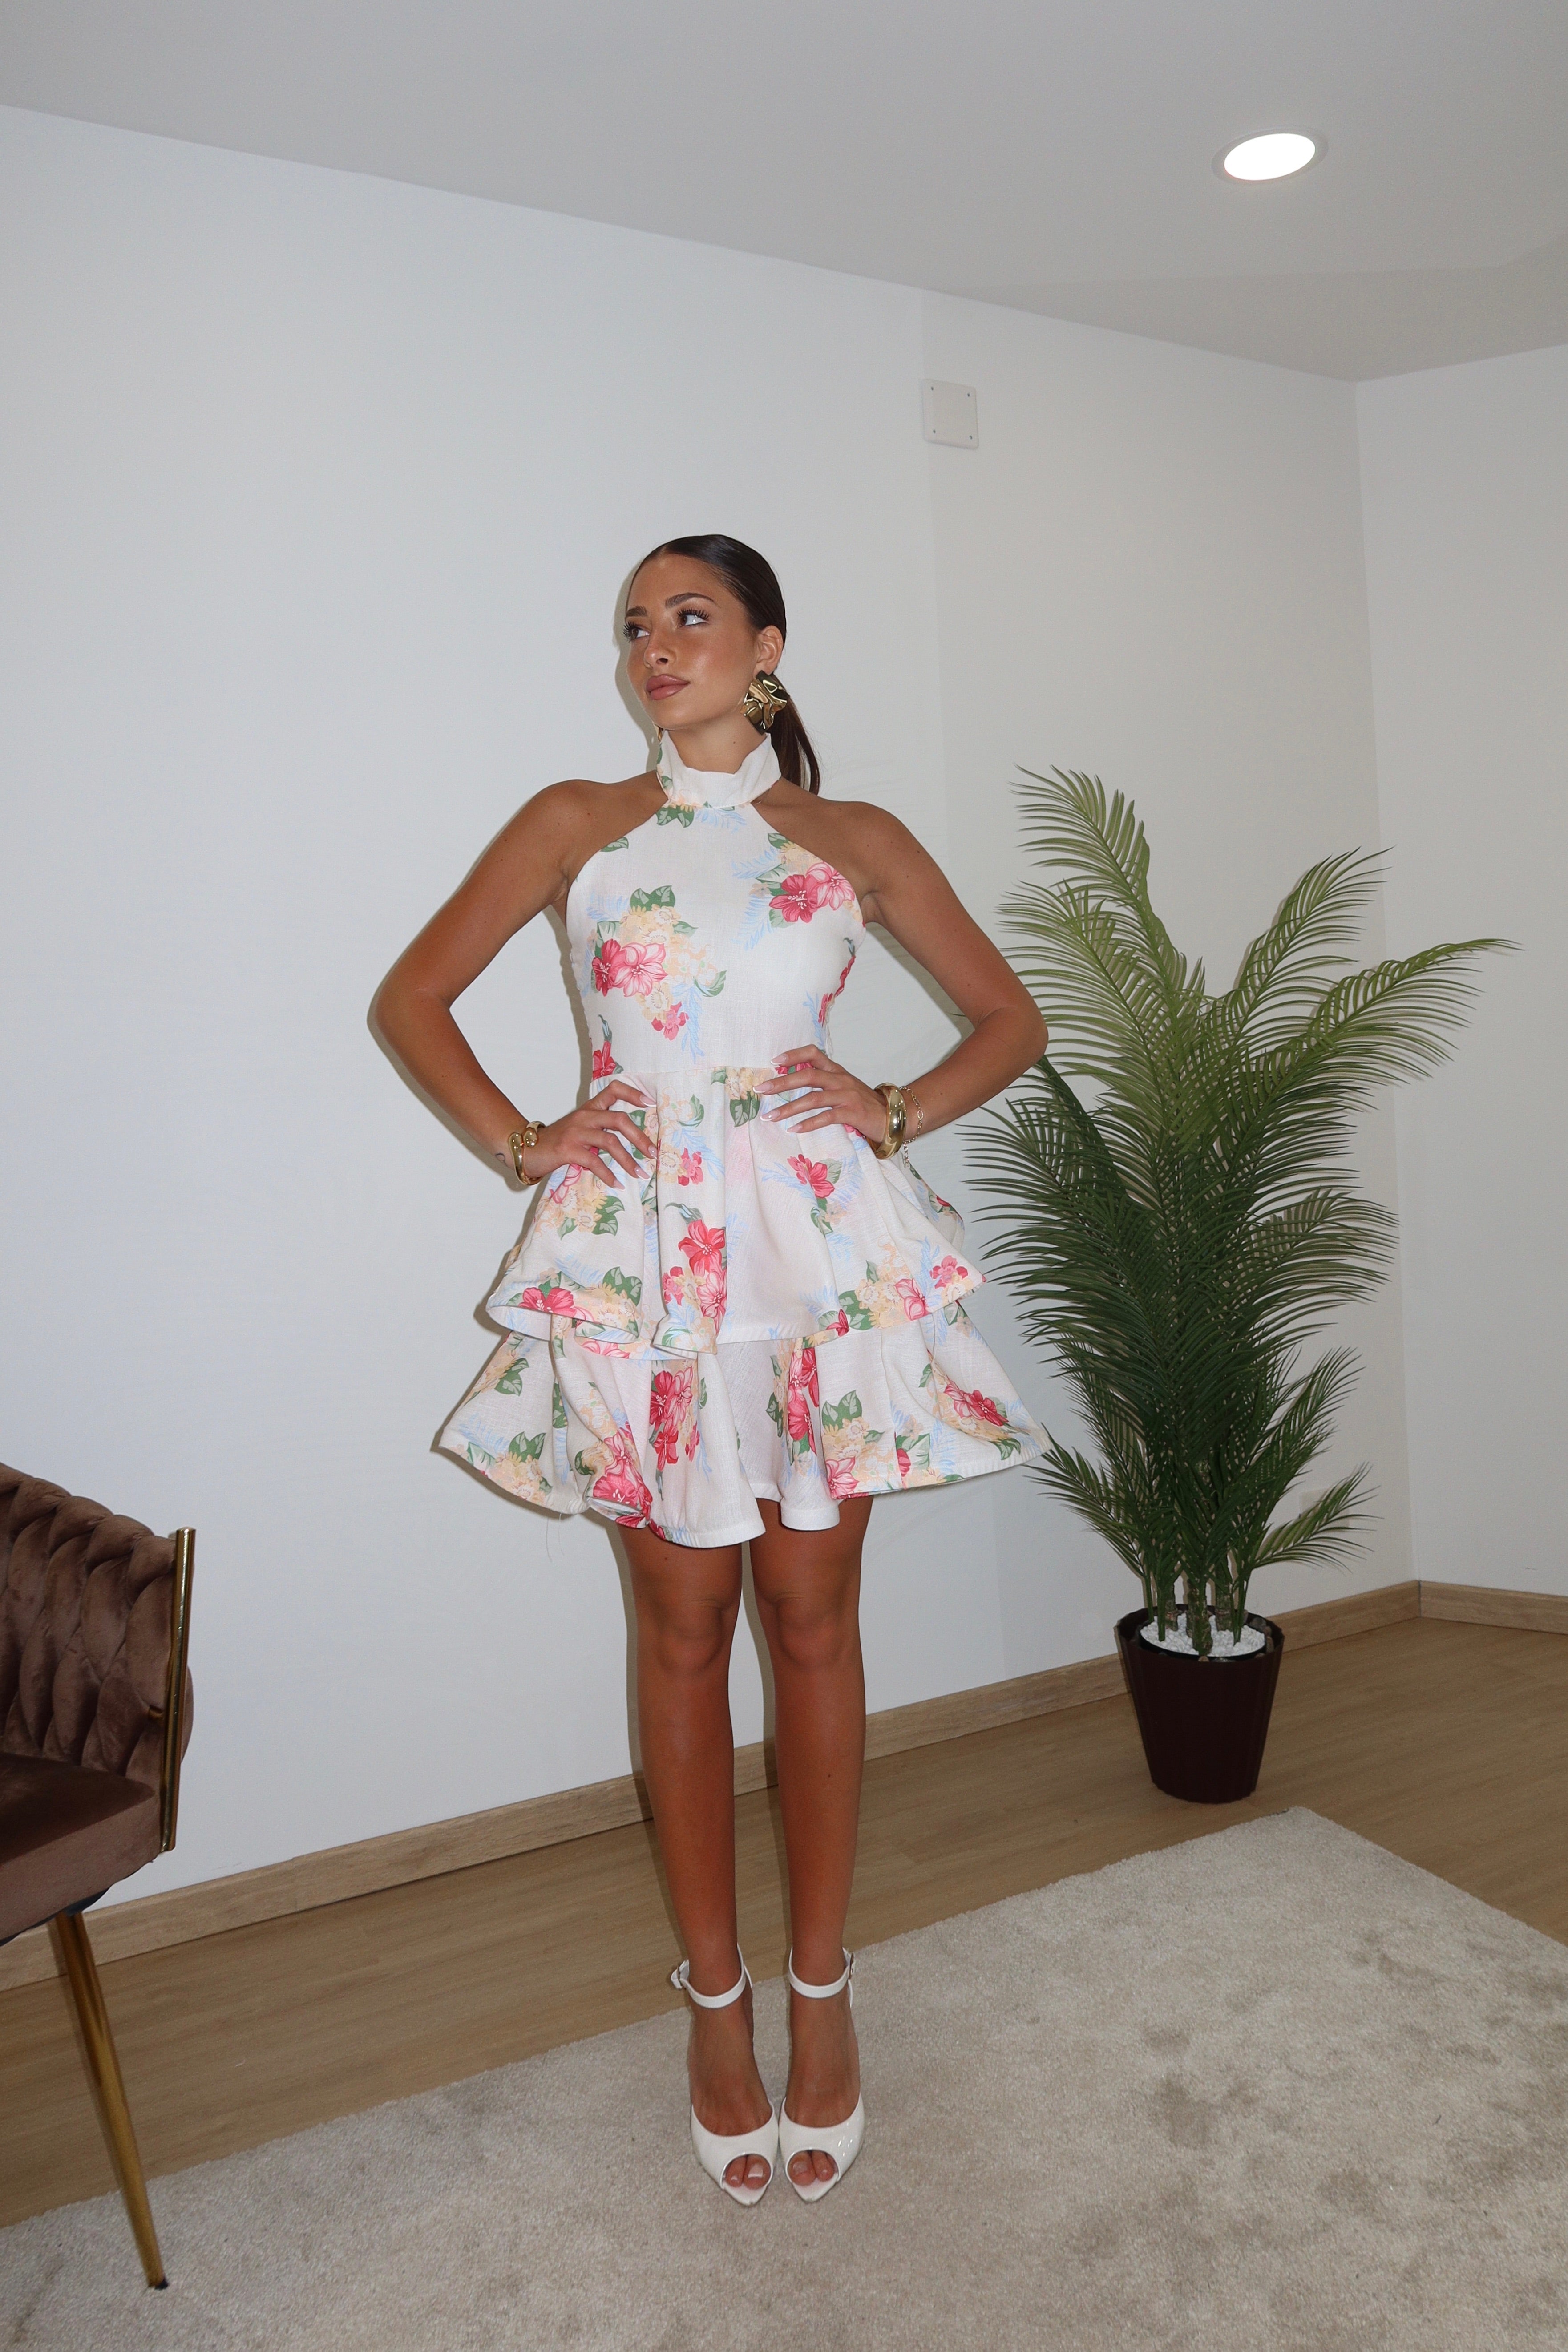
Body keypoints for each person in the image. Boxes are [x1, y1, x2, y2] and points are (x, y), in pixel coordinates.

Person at [375, 535, 1047, 2205]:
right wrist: (527, 1140)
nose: (654, 649)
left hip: (816, 1262)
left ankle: (822, 1988)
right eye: (634, 627)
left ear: (767, 647)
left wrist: (892, 1110)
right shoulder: (575, 824)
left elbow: (1009, 1019)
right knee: (680, 1634)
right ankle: (715, 1999)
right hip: (643, 1266)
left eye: (689, 618)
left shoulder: (851, 838)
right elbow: (414, 1000)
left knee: (813, 1624)